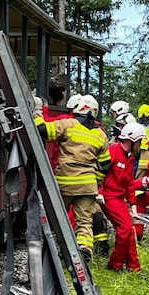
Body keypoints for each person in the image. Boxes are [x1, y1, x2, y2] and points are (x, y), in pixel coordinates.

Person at [35, 94, 111, 262]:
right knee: (84, 222)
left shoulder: (69, 124)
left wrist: (37, 111)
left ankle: (49, 253)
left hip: (65, 183)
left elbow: (42, 131)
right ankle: (84, 249)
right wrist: (95, 182)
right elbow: (106, 165)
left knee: (55, 219)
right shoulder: (100, 134)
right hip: (88, 186)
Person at [99, 123, 147, 275]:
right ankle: (115, 264)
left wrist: (133, 204)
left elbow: (129, 184)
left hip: (118, 198)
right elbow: (99, 171)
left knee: (129, 231)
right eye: (139, 142)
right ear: (132, 140)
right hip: (107, 196)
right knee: (125, 230)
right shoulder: (113, 152)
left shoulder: (130, 158)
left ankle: (134, 267)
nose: (140, 145)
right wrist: (98, 191)